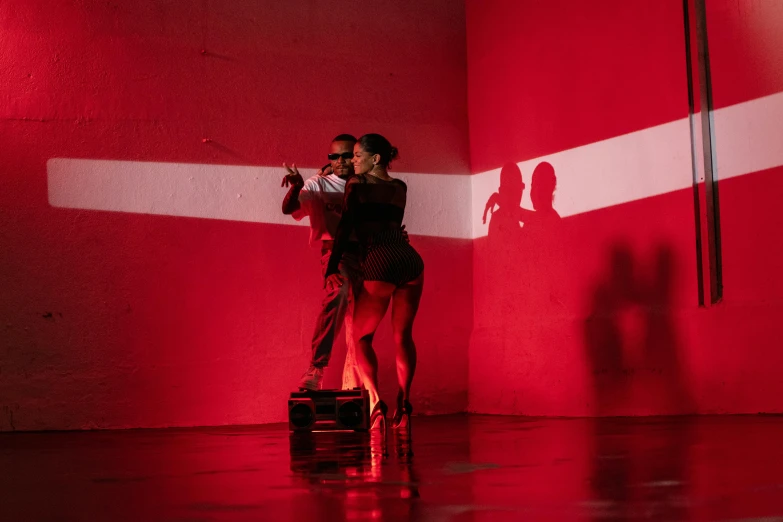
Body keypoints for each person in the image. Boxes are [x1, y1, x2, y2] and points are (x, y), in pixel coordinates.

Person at [325, 134, 424, 431]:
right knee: (403, 336)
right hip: (409, 259)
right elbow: (391, 222)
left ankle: (377, 403)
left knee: (361, 337)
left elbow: (346, 227)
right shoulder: (400, 187)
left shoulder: (358, 185)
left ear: (375, 159)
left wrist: (332, 266)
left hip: (379, 259)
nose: (352, 161)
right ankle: (404, 405)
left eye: (357, 155)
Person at [281, 134, 363, 391]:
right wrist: (296, 186)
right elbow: (289, 208)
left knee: (360, 318)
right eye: (334, 156)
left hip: (369, 254)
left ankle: (354, 375)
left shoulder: (366, 184)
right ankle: (316, 368)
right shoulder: (319, 183)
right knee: (337, 294)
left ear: (357, 156)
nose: (340, 161)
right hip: (336, 254)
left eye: (346, 155)